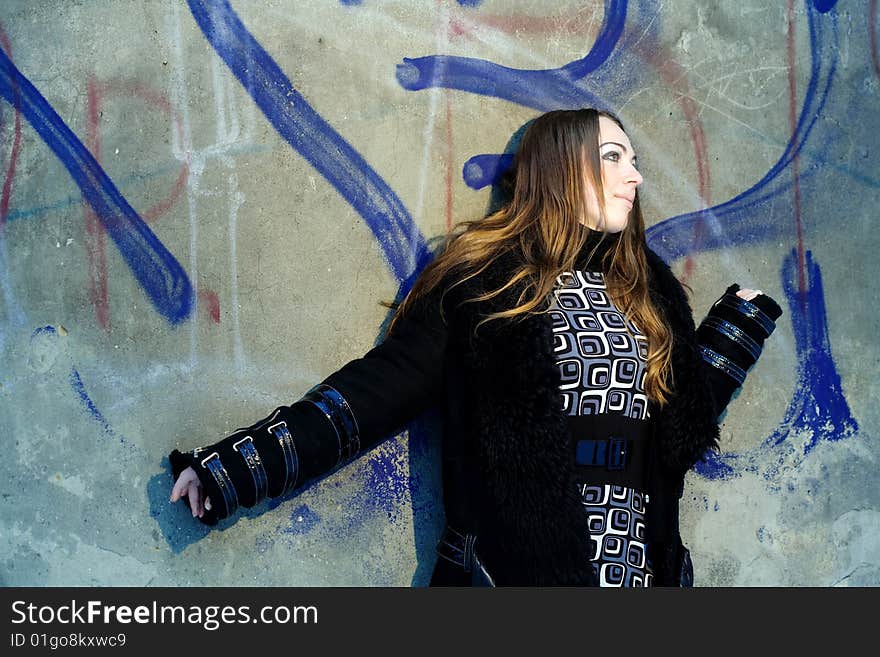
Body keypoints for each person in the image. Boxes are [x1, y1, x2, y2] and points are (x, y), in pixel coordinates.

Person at [169, 108, 782, 587]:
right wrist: (231, 470)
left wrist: (737, 329)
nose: (636, 176)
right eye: (614, 157)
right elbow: (373, 394)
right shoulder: (490, 287)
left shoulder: (647, 291)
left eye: (634, 159)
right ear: (562, 169)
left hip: (644, 576)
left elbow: (678, 428)